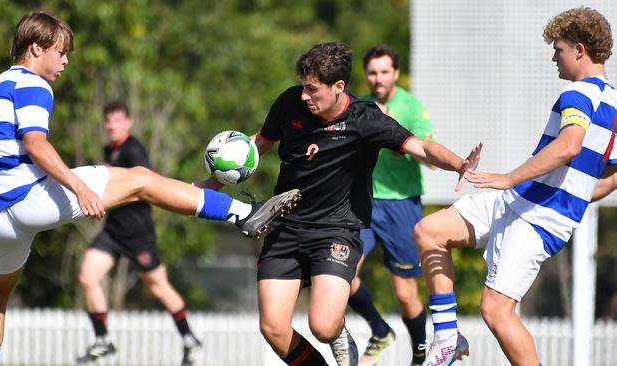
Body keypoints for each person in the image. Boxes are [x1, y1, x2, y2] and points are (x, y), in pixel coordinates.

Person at [0, 12, 300, 366]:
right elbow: (36, 144)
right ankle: (245, 213)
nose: (65, 61)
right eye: (61, 51)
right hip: (27, 199)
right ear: (36, 48)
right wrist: (80, 188)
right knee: (142, 179)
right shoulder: (33, 84)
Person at [249, 41, 481, 366]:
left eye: (312, 90)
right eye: (303, 87)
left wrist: (458, 164)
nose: (304, 96)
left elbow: (421, 149)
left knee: (324, 326)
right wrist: (217, 177)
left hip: (335, 231)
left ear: (338, 86)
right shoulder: (290, 102)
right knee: (273, 327)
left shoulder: (365, 119)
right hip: (285, 228)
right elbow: (258, 144)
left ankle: (360, 337)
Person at [415, 7, 615, 366]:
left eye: (559, 49)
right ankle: (447, 339)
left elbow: (569, 144)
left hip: (534, 216)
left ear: (580, 50)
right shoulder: (615, 104)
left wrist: (510, 177)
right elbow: (611, 176)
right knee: (429, 231)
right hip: (518, 202)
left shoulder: (578, 95)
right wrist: (573, 199)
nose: (554, 56)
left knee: (496, 312)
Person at [75, 101, 202, 365]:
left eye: (117, 120)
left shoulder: (134, 149)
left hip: (138, 235)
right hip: (112, 232)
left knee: (158, 287)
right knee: (88, 277)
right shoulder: (109, 150)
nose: (112, 125)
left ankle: (190, 339)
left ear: (128, 123)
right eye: (108, 120)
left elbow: (146, 184)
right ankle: (103, 340)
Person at [348, 44, 432, 366]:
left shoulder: (411, 107)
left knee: (405, 294)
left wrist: (392, 130)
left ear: (395, 73)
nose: (378, 78)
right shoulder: (358, 106)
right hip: (363, 205)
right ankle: (379, 329)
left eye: (384, 71)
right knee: (342, 275)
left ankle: (421, 353)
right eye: (372, 72)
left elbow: (431, 157)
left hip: (402, 207)